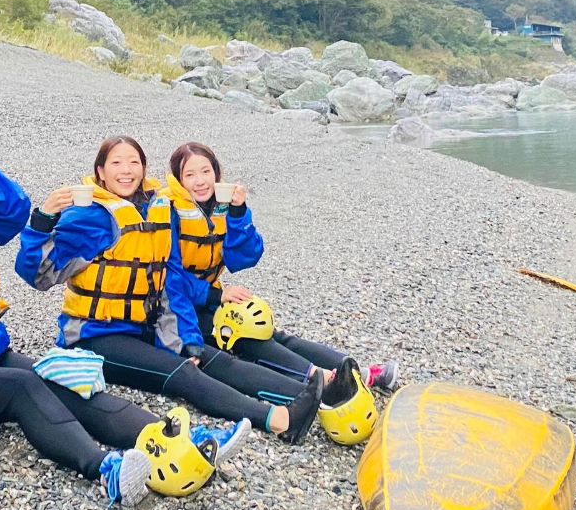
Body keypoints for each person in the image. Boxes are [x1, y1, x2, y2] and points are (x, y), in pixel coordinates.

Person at [0, 148, 245, 506]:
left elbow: (11, 214)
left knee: (66, 379)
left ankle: (171, 438)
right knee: (21, 387)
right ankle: (104, 469)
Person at [16, 136, 323, 444]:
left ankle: (313, 397)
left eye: (134, 162)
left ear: (144, 168)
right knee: (184, 373)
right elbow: (37, 274)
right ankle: (279, 420)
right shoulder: (89, 216)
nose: (126, 170)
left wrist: (184, 338)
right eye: (116, 163)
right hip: (95, 336)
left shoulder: (155, 210)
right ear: (100, 172)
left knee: (212, 358)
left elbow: (167, 281)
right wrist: (43, 219)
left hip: (144, 325)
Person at [160, 141, 400, 392]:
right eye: (190, 175)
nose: (200, 181)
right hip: (176, 305)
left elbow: (245, 257)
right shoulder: (170, 211)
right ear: (178, 180)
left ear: (216, 173)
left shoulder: (218, 206)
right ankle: (323, 377)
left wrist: (238, 213)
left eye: (206, 171)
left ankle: (357, 370)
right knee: (245, 334)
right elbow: (169, 277)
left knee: (271, 333)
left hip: (207, 297)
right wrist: (215, 297)